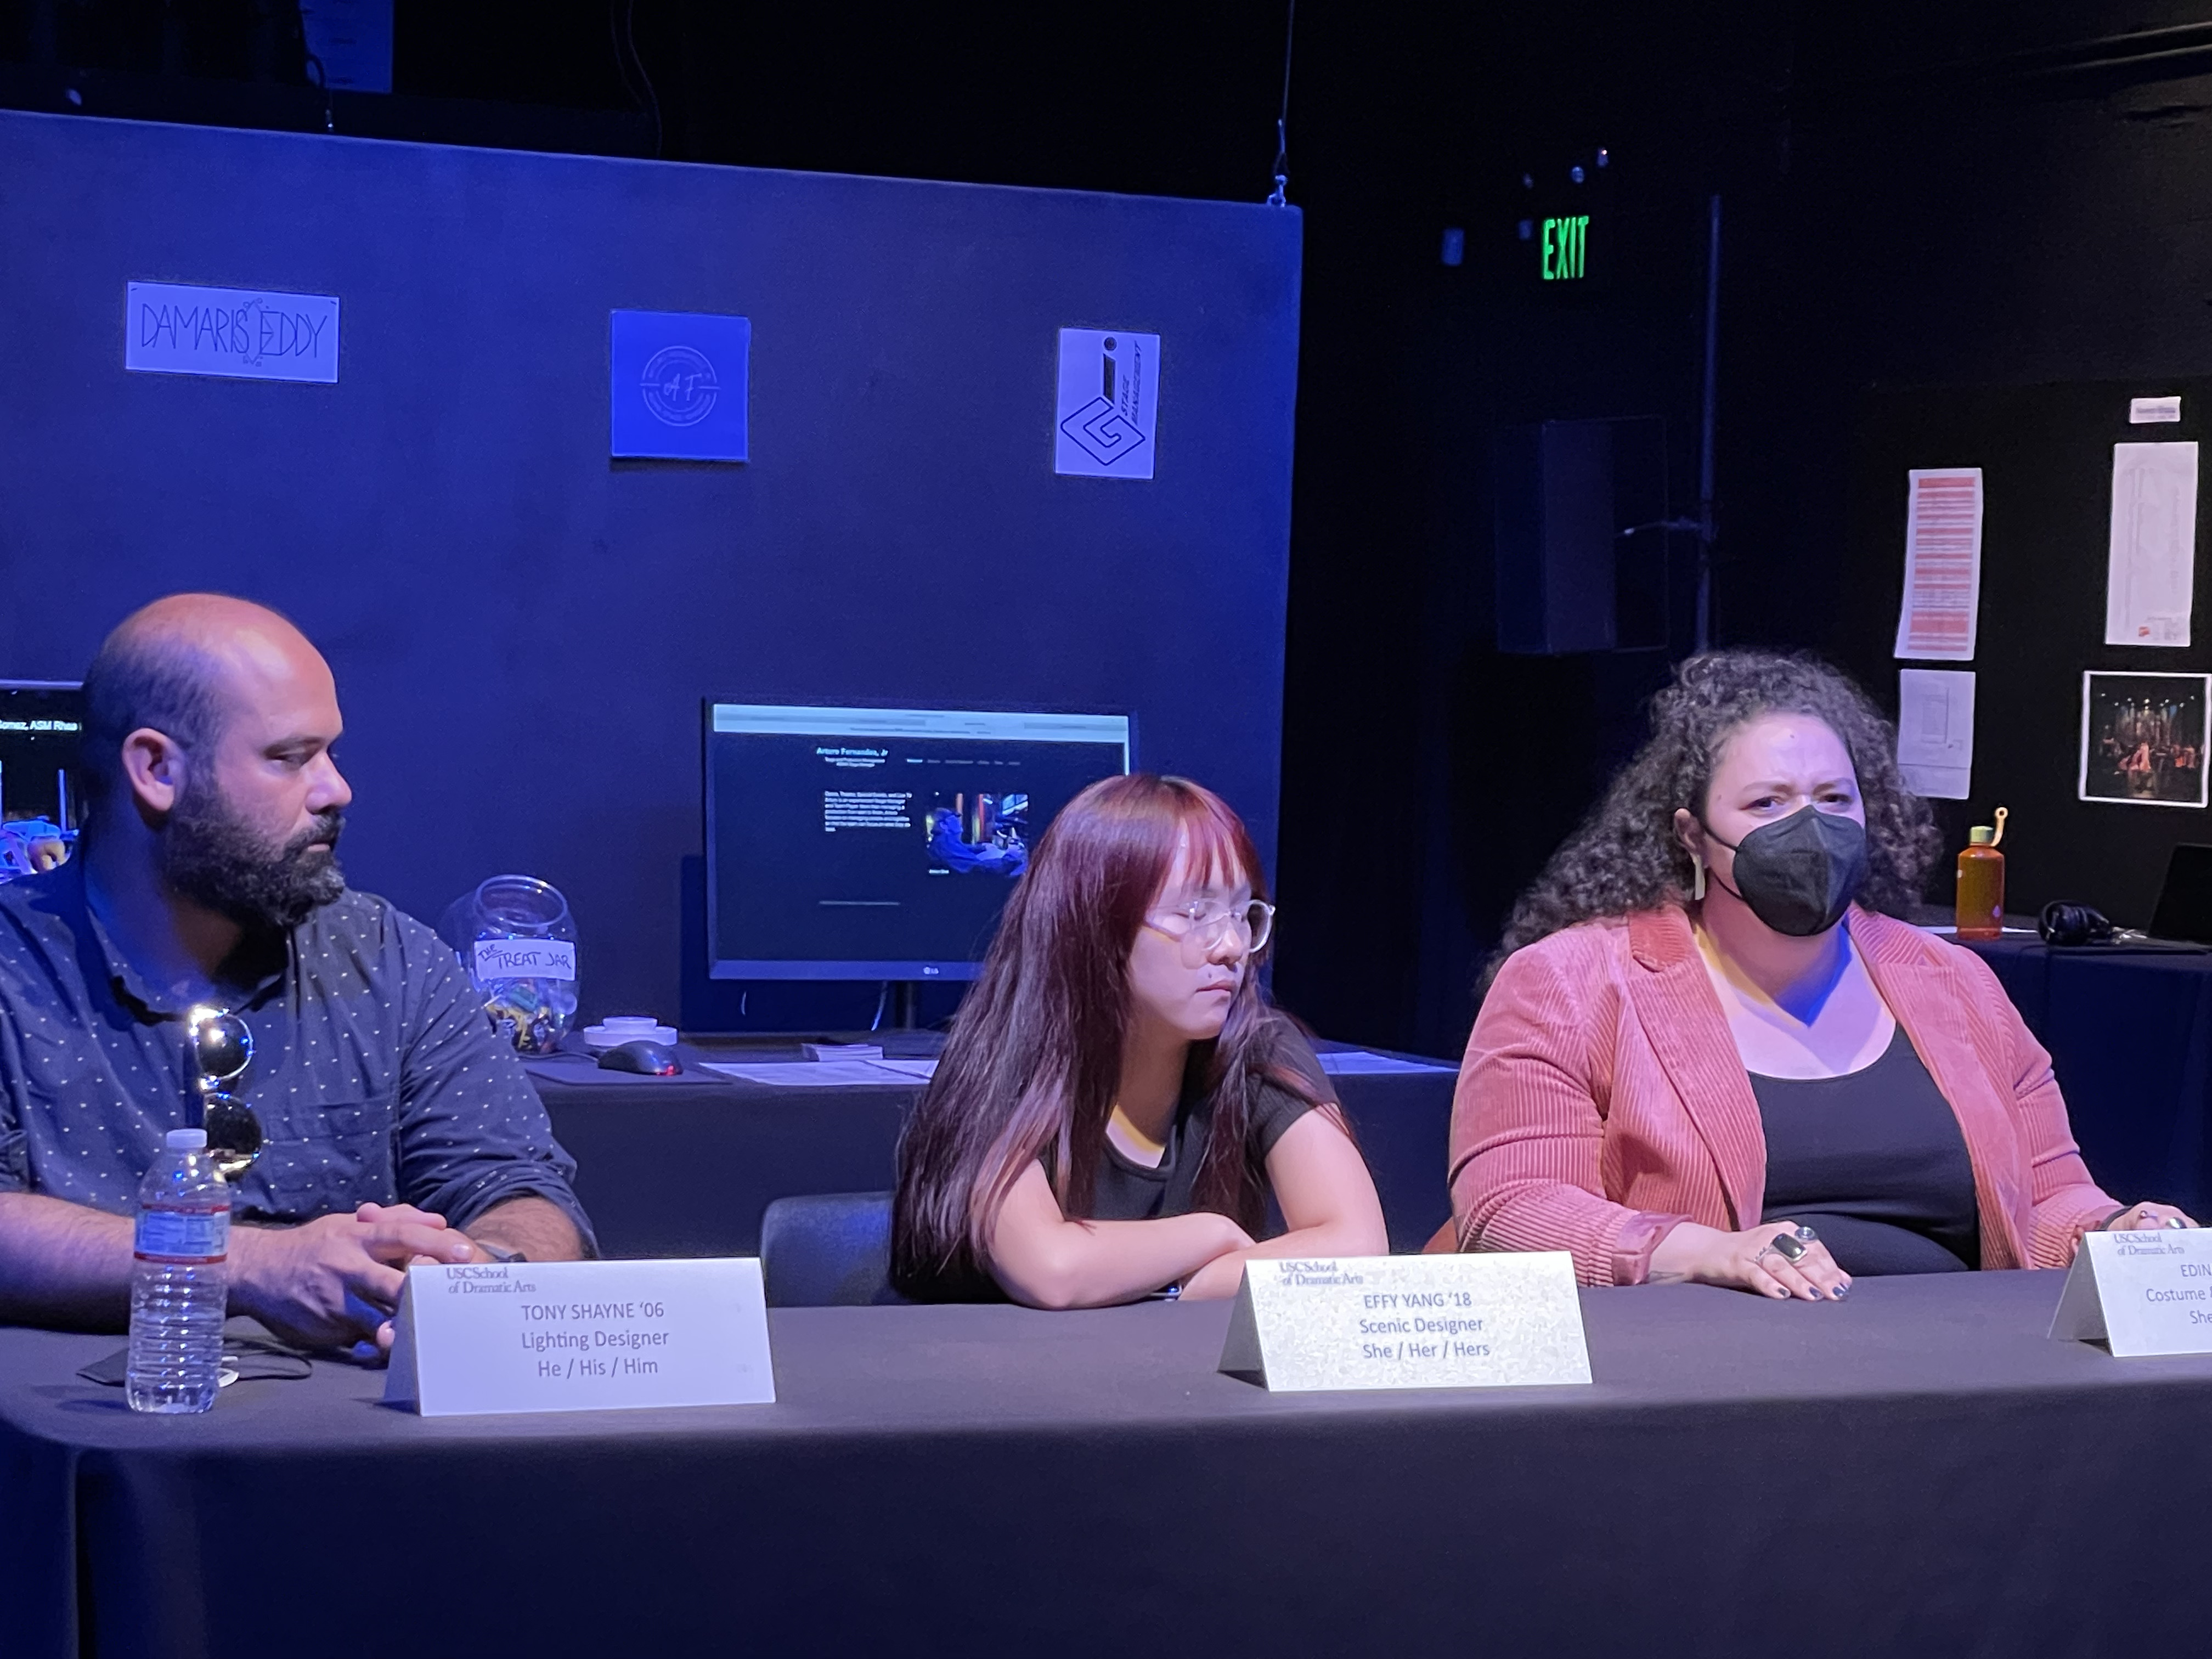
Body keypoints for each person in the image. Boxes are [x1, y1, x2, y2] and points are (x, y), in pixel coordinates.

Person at [1446, 650, 2192, 1300]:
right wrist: (1706, 1253)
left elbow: (2047, 1196)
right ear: (1693, 836)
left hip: (1958, 1362)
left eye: (1834, 800)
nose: (1810, 828)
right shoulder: (1572, 984)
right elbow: (1512, 1208)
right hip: (1715, 1371)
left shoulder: (1953, 981)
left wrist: (2113, 1229)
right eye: (1767, 803)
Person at [0, 594, 593, 1351]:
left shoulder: (394, 959)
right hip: (87, 1421)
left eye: (330, 753)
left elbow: (520, 1188)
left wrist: (481, 1271)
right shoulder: (16, 966)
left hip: (348, 1425)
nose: (335, 790)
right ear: (156, 769)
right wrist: (248, 1266)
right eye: (290, 757)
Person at [893, 773, 1385, 1306]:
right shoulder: (1004, 1056)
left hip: (1174, 1362)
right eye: (1195, 913)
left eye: (1243, 914)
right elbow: (1052, 1269)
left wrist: (1193, 1285)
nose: (1231, 946)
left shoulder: (1258, 1049)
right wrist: (1212, 1234)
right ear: (1096, 923)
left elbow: (1358, 1248)